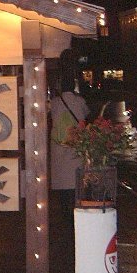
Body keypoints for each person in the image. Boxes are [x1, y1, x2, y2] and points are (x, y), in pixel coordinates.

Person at [50, 74, 90, 219]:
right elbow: (86, 114)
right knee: (76, 178)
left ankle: (64, 209)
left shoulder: (54, 102)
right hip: (75, 146)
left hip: (59, 146)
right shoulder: (79, 101)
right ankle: (76, 209)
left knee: (61, 179)